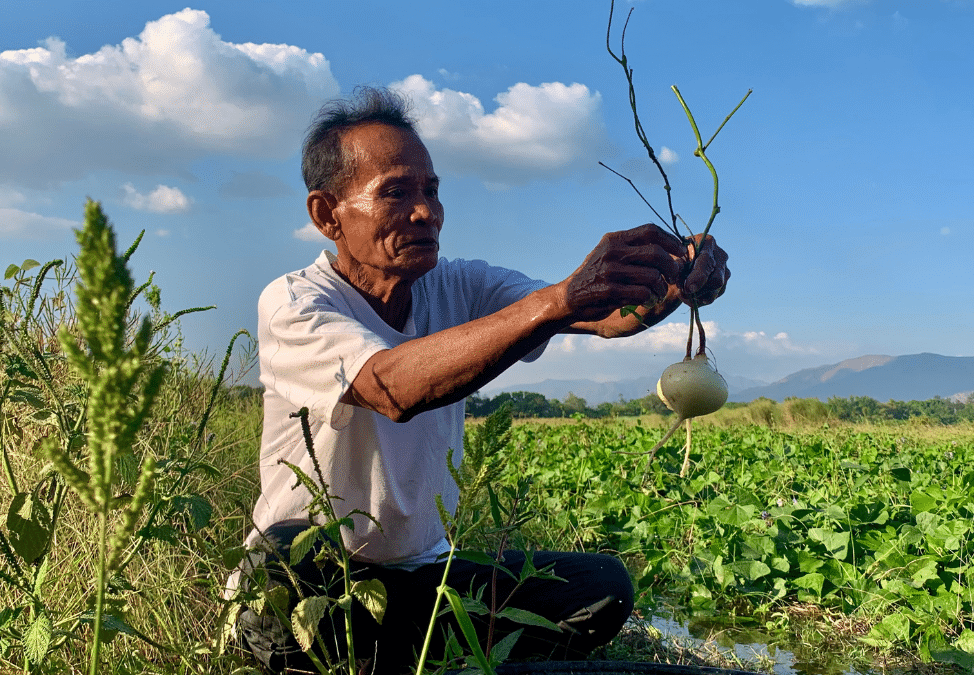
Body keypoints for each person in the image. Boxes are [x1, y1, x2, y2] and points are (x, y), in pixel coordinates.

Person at [233, 85, 730, 673]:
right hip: (315, 584)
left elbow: (595, 316)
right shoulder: (296, 302)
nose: (426, 212)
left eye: (432, 190)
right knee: (293, 558)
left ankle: (427, 656)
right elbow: (391, 387)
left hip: (419, 579)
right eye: (395, 192)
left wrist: (668, 285)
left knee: (601, 585)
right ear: (327, 215)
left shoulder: (462, 285)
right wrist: (558, 300)